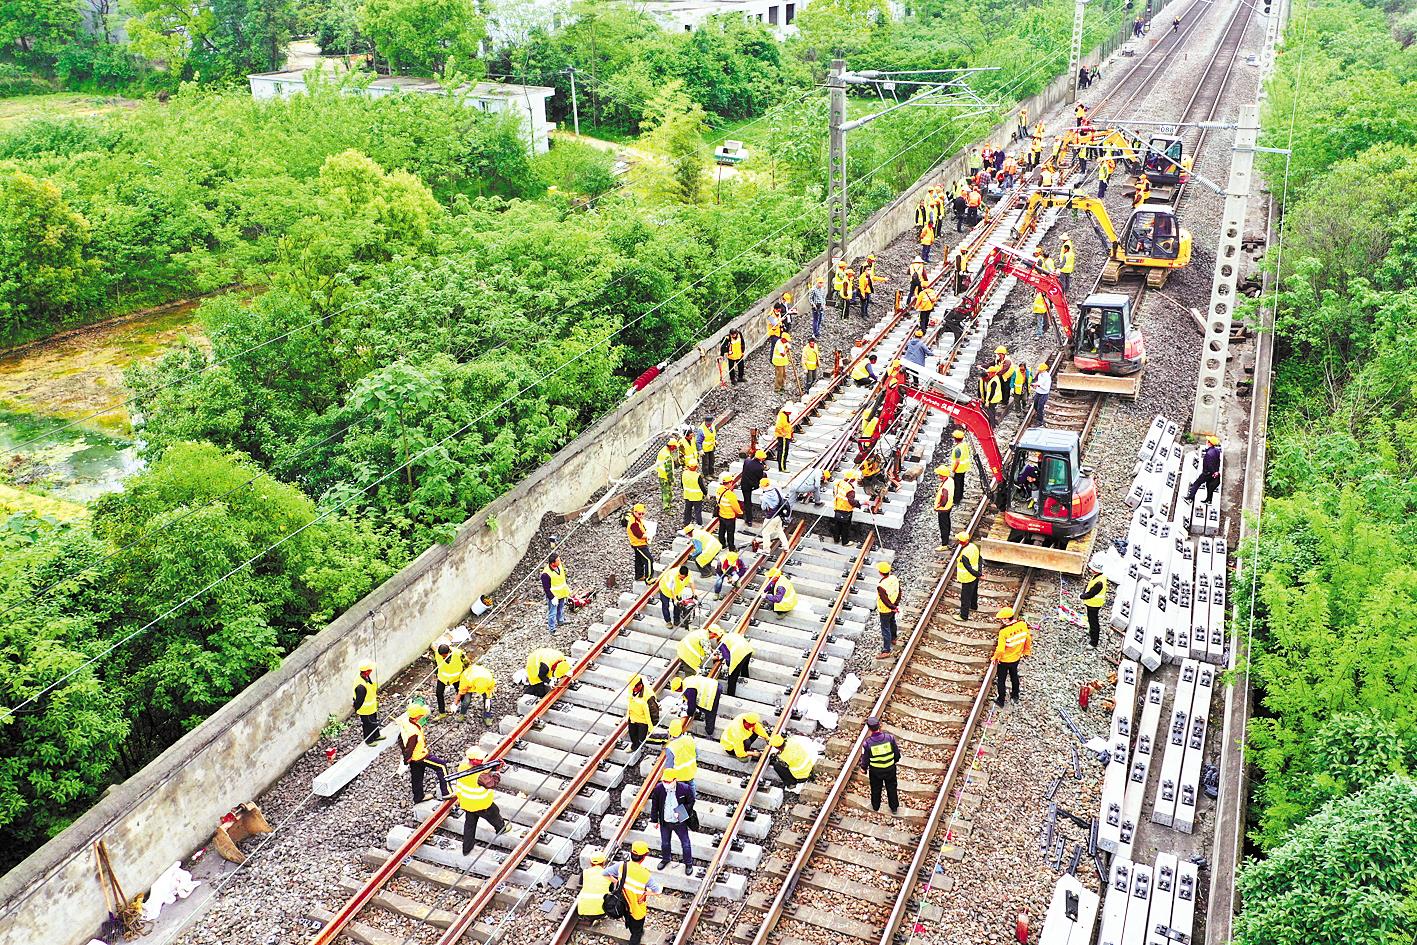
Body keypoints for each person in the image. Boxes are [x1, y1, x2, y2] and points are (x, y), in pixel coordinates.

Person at [604, 841, 660, 945]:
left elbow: (605, 873)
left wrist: (617, 882)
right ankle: (636, 936)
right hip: (637, 909)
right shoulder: (645, 874)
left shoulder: (622, 866)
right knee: (636, 933)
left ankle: (633, 930)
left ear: (631, 854)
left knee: (629, 922)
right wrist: (646, 893)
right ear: (643, 857)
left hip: (624, 904)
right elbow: (657, 891)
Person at [453, 747, 505, 855]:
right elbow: (491, 783)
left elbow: (482, 769)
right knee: (495, 814)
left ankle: (466, 848)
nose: (482, 760)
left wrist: (492, 767)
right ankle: (501, 828)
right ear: (474, 760)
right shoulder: (480, 776)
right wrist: (497, 773)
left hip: (467, 803)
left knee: (469, 826)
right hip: (481, 804)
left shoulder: (463, 767)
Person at [399, 703, 449, 803]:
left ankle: (418, 797)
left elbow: (401, 739)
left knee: (417, 777)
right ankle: (446, 792)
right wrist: (406, 758)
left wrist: (406, 756)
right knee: (441, 766)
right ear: (417, 716)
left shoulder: (406, 723)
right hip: (420, 756)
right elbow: (410, 747)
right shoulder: (413, 731)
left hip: (414, 758)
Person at [651, 775, 696, 873]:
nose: (666, 784)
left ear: (675, 780)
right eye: (664, 781)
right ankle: (666, 859)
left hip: (679, 822)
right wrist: (654, 820)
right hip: (665, 822)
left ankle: (688, 864)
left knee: (685, 843)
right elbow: (655, 805)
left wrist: (680, 812)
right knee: (665, 843)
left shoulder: (684, 788)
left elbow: (691, 801)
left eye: (668, 782)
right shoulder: (659, 789)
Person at [860, 716, 901, 815]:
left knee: (875, 788)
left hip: (875, 771)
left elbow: (865, 759)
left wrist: (863, 769)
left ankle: (876, 806)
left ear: (869, 728)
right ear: (880, 725)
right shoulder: (890, 738)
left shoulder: (867, 744)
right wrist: (892, 762)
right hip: (890, 769)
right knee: (891, 787)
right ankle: (894, 807)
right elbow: (897, 755)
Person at [993, 606, 1033, 706]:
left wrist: (995, 658)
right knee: (1014, 676)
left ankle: (1001, 700)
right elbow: (1028, 638)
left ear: (1007, 619)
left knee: (1001, 680)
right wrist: (1026, 651)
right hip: (1016, 658)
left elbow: (1000, 649)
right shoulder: (1022, 624)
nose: (1001, 621)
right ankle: (1015, 695)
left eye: (1002, 619)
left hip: (1004, 660)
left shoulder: (1004, 632)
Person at [709, 623, 754, 695]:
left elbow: (728, 659)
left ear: (714, 634)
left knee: (732, 678)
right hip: (747, 650)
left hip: (739, 655)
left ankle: (731, 695)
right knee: (744, 668)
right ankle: (745, 679)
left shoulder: (721, 643)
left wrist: (727, 665)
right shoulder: (728, 635)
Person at [1185, 435, 1223, 505]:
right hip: (1214, 473)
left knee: (1197, 483)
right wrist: (1216, 471)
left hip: (1207, 473)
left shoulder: (1208, 454)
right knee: (1209, 485)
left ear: (1209, 443)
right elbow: (1218, 461)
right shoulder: (1217, 451)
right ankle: (1209, 500)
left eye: (1207, 441)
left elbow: (1209, 465)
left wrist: (1213, 472)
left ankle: (1190, 498)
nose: (1206, 442)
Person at [433, 642, 467, 717]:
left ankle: (463, 710)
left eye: (444, 656)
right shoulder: (437, 654)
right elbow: (435, 664)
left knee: (460, 692)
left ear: (448, 652)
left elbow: (466, 663)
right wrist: (436, 673)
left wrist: (466, 675)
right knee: (439, 693)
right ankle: (442, 713)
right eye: (442, 656)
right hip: (443, 678)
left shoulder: (458, 653)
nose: (443, 657)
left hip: (456, 677)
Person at [352, 661, 382, 745]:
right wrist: (356, 709)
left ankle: (376, 735)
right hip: (365, 710)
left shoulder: (366, 677)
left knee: (374, 721)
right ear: (366, 671)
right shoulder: (361, 686)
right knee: (368, 725)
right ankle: (369, 740)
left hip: (371, 707)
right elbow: (359, 701)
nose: (372, 671)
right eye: (370, 670)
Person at [875, 561, 901, 659]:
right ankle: (893, 638)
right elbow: (899, 591)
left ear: (880, 573)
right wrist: (895, 606)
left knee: (885, 628)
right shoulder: (894, 579)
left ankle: (886, 650)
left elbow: (884, 600)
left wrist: (892, 607)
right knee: (892, 622)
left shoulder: (881, 586)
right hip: (893, 606)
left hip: (885, 610)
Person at [577, 850, 613, 919]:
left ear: (591, 863)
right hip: (601, 912)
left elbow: (580, 883)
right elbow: (611, 890)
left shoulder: (585, 872)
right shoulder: (608, 875)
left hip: (583, 911)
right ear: (604, 862)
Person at [625, 674, 657, 750]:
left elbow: (654, 711)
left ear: (639, 686)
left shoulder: (648, 695)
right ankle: (635, 746)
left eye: (634, 688)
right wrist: (627, 716)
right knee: (632, 735)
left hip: (643, 721)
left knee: (641, 738)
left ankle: (640, 746)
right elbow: (629, 703)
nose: (632, 689)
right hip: (632, 719)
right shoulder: (632, 689)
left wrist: (652, 726)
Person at [759, 478, 790, 553]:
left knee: (765, 533)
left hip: (771, 517)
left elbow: (763, 508)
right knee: (779, 530)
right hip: (778, 515)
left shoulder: (765, 496)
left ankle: (766, 549)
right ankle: (786, 546)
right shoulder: (776, 490)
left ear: (762, 486)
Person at [542, 553, 571, 633]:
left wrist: (566, 588)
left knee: (561, 608)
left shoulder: (559, 566)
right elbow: (546, 589)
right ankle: (552, 629)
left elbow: (562, 579)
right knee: (552, 613)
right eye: (558, 560)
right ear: (552, 563)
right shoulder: (545, 574)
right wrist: (552, 598)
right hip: (553, 596)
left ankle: (560, 620)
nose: (560, 561)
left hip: (561, 593)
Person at [1082, 559, 1108, 647]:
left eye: (1092, 569)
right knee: (1091, 619)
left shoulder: (1099, 583)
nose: (1090, 570)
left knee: (1093, 622)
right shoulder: (1099, 577)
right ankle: (1091, 633)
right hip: (1092, 604)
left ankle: (1094, 642)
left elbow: (1091, 594)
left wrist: (1082, 596)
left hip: (1094, 604)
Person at [957, 532, 981, 619]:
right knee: (974, 592)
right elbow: (979, 559)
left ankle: (963, 616)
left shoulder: (964, 554)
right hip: (975, 576)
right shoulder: (973, 547)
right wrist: (979, 573)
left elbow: (968, 568)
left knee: (965, 597)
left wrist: (978, 574)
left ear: (961, 542)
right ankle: (974, 606)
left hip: (967, 577)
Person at [716, 474, 743, 551]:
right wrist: (740, 512)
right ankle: (731, 548)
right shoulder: (730, 495)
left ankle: (722, 544)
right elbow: (736, 507)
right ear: (730, 483)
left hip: (721, 514)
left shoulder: (719, 490)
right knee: (730, 533)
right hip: (730, 517)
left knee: (721, 530)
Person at [831, 470, 860, 544]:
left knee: (837, 525)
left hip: (837, 507)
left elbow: (835, 494)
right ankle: (845, 542)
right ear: (852, 479)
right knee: (846, 527)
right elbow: (851, 501)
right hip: (846, 510)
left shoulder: (838, 483)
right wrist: (858, 504)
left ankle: (836, 539)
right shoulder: (849, 489)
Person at [628, 503, 653, 585]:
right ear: (634, 512)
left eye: (643, 514)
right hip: (639, 545)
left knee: (639, 560)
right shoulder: (634, 523)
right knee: (649, 560)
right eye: (639, 514)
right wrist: (648, 535)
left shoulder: (635, 519)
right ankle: (648, 578)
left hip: (638, 544)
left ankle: (639, 576)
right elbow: (640, 535)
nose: (641, 515)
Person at [933, 465, 955, 552]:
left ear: (942, 475)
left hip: (943, 509)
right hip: (948, 507)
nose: (938, 476)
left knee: (943, 526)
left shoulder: (945, 487)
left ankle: (944, 544)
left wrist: (939, 506)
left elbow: (944, 499)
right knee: (947, 523)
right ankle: (947, 538)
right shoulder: (950, 480)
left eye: (939, 474)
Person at [742, 450, 766, 526]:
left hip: (744, 484)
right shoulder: (760, 467)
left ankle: (749, 520)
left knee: (747, 502)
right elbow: (760, 477)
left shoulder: (747, 461)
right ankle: (765, 491)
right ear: (761, 459)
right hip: (753, 486)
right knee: (764, 476)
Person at [949, 429, 971, 505]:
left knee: (957, 485)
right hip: (964, 468)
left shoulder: (957, 449)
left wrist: (953, 471)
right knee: (961, 483)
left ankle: (956, 500)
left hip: (958, 470)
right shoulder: (964, 445)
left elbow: (957, 461)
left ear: (955, 439)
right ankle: (960, 497)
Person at [656, 439, 678, 512]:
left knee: (665, 491)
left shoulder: (663, 450)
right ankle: (666, 509)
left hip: (661, 474)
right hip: (664, 477)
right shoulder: (667, 456)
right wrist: (672, 480)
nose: (675, 448)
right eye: (674, 447)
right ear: (671, 446)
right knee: (667, 493)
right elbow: (669, 471)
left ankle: (668, 504)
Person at [773, 405, 794, 472]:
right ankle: (782, 468)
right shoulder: (782, 417)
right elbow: (778, 427)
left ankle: (782, 465)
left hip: (785, 437)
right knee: (783, 452)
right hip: (783, 437)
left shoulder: (784, 415)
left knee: (783, 452)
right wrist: (783, 434)